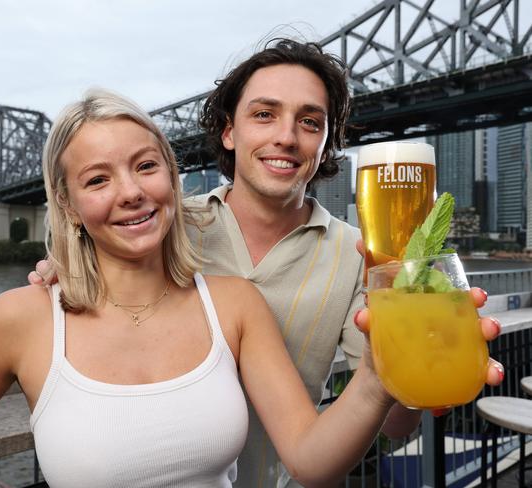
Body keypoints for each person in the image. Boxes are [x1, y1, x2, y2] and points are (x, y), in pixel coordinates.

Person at [0, 88, 439, 487]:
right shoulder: (19, 318)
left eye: (146, 166)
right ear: (71, 206)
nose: (130, 192)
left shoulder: (234, 303)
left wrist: (374, 373)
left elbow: (310, 462)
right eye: (98, 179)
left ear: (172, 180)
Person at [27, 39, 505, 487]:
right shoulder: (155, 226)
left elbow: (398, 422)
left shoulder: (366, 257)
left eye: (311, 122)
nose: (287, 137)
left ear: (326, 146)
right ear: (229, 131)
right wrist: (63, 267)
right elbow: (87, 254)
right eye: (264, 114)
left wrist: (430, 353)